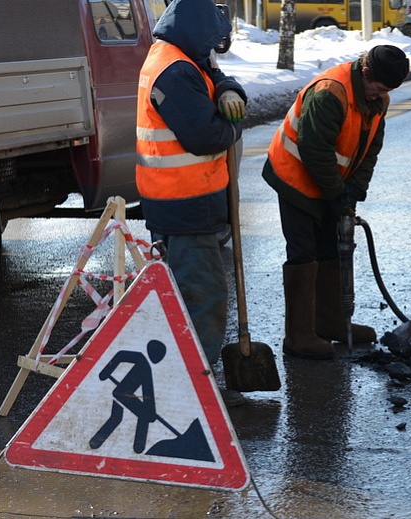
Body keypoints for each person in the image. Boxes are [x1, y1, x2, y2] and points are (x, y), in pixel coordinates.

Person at [263, 45, 410, 360]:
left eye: (386, 91)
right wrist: (336, 195)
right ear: (367, 73)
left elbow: (370, 149)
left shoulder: (378, 98)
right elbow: (315, 151)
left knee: (332, 247)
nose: (380, 96)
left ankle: (330, 322)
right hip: (295, 178)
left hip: (332, 183)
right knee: (303, 251)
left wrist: (355, 190)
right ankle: (299, 335)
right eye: (379, 88)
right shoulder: (330, 92)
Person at [135, 0, 248, 404]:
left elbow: (215, 76)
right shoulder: (177, 69)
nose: (215, 49)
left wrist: (229, 89)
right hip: (185, 201)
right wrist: (232, 129)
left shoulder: (181, 56)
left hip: (179, 200)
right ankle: (194, 390)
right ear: (199, 31)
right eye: (213, 40)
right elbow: (203, 136)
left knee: (185, 295)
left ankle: (182, 380)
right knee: (203, 297)